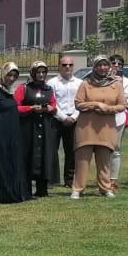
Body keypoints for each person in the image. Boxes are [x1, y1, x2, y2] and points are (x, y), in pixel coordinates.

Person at [72, 55, 127, 199]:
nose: (102, 68)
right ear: (94, 67)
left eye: (105, 65)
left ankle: (105, 188)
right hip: (86, 127)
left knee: (104, 160)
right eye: (99, 65)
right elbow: (78, 103)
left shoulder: (116, 84)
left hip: (107, 127)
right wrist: (96, 105)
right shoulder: (86, 83)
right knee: (82, 160)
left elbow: (122, 105)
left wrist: (107, 109)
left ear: (109, 67)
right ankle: (78, 189)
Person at [17, 62, 59, 198]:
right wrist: (30, 108)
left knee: (44, 155)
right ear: (33, 73)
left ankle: (42, 188)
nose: (41, 75)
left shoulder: (49, 89)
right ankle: (26, 188)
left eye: (43, 72)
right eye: (38, 72)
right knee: (28, 154)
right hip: (29, 126)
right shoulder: (24, 88)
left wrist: (50, 109)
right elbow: (16, 107)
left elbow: (54, 106)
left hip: (45, 126)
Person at [0, 63, 30, 204]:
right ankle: (3, 193)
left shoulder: (9, 90)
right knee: (2, 161)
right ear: (3, 74)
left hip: (12, 132)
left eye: (15, 76)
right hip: (0, 132)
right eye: (9, 75)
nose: (12, 78)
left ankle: (14, 191)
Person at [48, 55, 81, 185]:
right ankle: (51, 179)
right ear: (59, 66)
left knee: (71, 151)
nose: (67, 67)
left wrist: (73, 117)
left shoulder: (80, 83)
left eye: (70, 65)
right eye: (64, 65)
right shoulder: (52, 83)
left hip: (74, 119)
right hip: (56, 119)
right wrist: (63, 117)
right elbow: (52, 102)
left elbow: (82, 102)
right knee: (52, 149)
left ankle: (69, 179)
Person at [107, 54, 128, 190]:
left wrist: (118, 84)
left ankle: (113, 179)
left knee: (115, 149)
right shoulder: (103, 79)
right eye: (113, 63)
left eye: (119, 64)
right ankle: (103, 178)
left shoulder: (127, 81)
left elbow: (126, 100)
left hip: (118, 117)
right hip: (104, 117)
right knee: (103, 149)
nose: (116, 66)